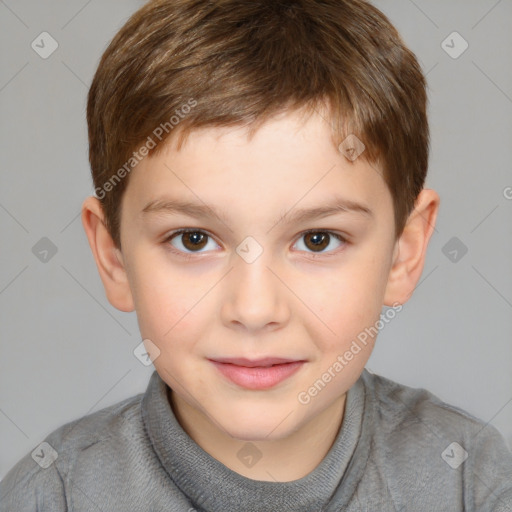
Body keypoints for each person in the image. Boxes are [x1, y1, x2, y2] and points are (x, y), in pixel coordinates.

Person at [1, 0, 511, 510]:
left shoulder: (472, 481)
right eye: (193, 239)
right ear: (114, 256)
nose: (255, 309)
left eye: (317, 240)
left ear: (405, 251)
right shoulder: (53, 496)